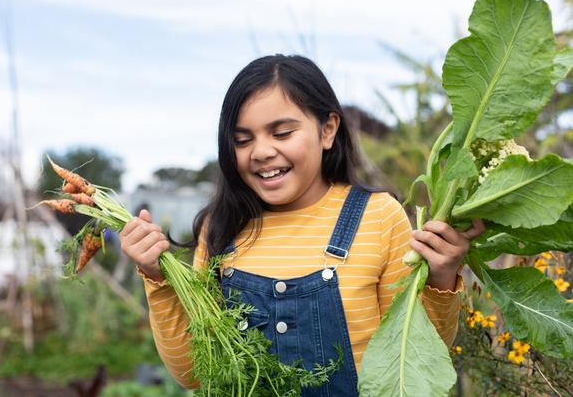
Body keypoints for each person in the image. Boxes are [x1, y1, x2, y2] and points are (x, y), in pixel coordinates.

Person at [120, 54, 485, 395]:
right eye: (242, 140)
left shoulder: (377, 216)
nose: (261, 152)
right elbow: (192, 372)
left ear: (328, 130)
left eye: (282, 133)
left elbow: (413, 359)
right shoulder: (222, 227)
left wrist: (441, 276)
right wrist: (156, 277)